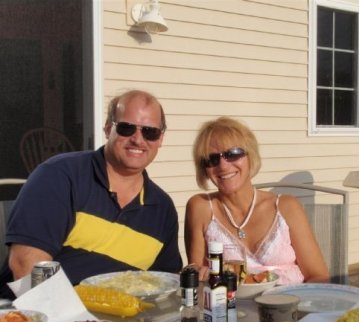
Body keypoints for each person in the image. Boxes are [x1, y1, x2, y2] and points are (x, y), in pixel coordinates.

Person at [1, 90, 182, 298]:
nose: (138, 140)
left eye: (150, 132)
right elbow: (25, 265)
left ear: (160, 139)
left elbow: (165, 281)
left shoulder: (162, 209)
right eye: (126, 128)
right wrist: (72, 321)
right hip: (34, 318)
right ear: (107, 129)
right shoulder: (60, 176)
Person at [184, 117, 329, 284]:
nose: (223, 166)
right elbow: (198, 279)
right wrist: (196, 272)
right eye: (212, 159)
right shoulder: (201, 208)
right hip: (228, 308)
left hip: (291, 305)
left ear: (250, 156)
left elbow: (319, 277)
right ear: (204, 168)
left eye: (233, 154)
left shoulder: (286, 207)